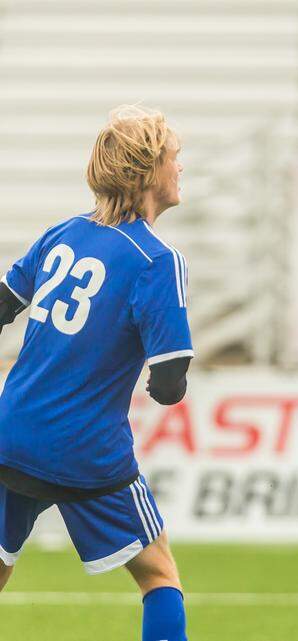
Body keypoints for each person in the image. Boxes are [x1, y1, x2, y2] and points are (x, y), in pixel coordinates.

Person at [0, 106, 193, 641]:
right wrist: (160, 384)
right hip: (85, 447)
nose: (182, 169)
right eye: (175, 159)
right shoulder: (156, 259)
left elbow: (1, 303)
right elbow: (170, 381)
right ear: (149, 170)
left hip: (11, 432)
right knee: (159, 576)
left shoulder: (63, 232)